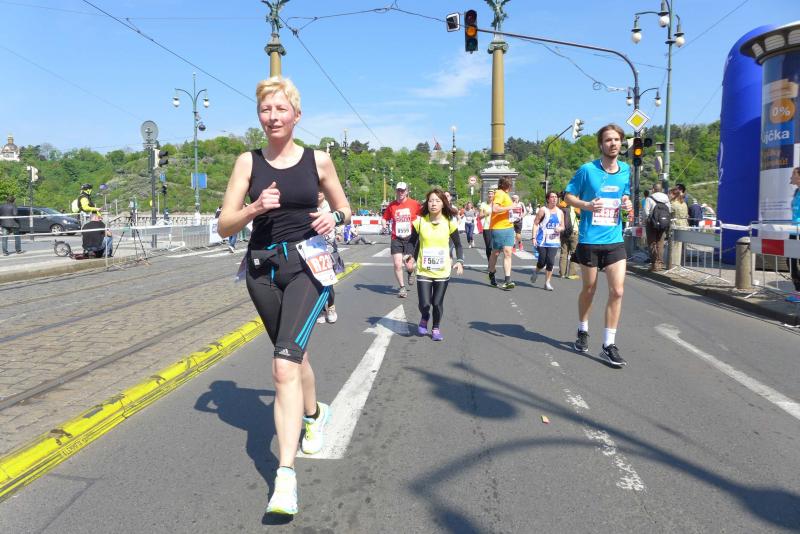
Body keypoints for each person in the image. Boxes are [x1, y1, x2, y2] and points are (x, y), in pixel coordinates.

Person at [217, 76, 350, 516]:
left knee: (282, 366)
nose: (272, 117)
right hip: (261, 271)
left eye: (280, 109)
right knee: (293, 356)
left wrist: (335, 217)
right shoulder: (248, 162)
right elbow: (225, 224)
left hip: (307, 266)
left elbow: (344, 208)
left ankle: (285, 477)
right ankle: (315, 415)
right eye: (265, 110)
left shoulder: (318, 160)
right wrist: (255, 208)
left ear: (296, 115)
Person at [565, 124, 633, 368]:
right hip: (589, 239)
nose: (613, 144)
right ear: (601, 145)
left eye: (616, 140)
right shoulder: (587, 170)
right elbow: (568, 196)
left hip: (614, 240)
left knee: (618, 291)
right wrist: (586, 205)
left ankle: (608, 344)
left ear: (621, 143)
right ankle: (582, 329)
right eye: (608, 140)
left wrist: (626, 203)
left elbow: (624, 195)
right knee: (589, 289)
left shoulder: (626, 170)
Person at [404, 188, 463, 341]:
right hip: (424, 270)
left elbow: (458, 245)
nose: (434, 204)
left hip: (442, 270)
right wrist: (409, 254)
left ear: (443, 204)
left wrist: (460, 261)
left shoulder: (449, 223)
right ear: (427, 203)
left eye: (437, 201)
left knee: (437, 303)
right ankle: (425, 316)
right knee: (424, 304)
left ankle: (436, 327)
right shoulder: (420, 221)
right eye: (431, 201)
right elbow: (411, 242)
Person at [381, 182, 421, 298]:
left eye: (403, 190)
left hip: (411, 238)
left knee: (409, 265)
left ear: (407, 191)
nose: (400, 192)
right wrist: (384, 225)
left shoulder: (414, 204)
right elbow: (384, 218)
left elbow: (422, 217)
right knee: (397, 264)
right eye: (398, 190)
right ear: (396, 191)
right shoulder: (392, 205)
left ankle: (411, 271)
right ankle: (402, 287)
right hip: (396, 238)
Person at [530, 191, 564, 290]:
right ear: (548, 199)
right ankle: (536, 271)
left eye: (556, 197)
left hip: (554, 241)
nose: (554, 199)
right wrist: (533, 237)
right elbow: (535, 223)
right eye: (552, 197)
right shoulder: (543, 210)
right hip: (542, 240)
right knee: (542, 261)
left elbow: (563, 226)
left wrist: (560, 228)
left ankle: (547, 282)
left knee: (550, 261)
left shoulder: (560, 212)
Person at [488, 177, 516, 290]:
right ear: (505, 185)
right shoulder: (499, 193)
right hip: (498, 227)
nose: (510, 186)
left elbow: (506, 210)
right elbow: (495, 208)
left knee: (508, 252)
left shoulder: (506, 194)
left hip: (509, 227)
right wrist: (511, 207)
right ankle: (491, 272)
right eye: (509, 184)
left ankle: (507, 280)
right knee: (495, 253)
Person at [644, 183, 671, 272]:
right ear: (661, 190)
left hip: (651, 224)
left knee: (652, 243)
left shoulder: (649, 198)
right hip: (663, 224)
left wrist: (647, 221)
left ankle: (654, 264)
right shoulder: (666, 199)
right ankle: (660, 263)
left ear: (653, 189)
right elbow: (669, 211)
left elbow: (646, 212)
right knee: (660, 243)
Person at [558, 192, 579, 279]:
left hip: (563, 232)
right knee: (574, 253)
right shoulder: (575, 207)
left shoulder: (560, 207)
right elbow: (580, 215)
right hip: (574, 232)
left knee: (563, 252)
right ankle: (572, 274)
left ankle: (562, 273)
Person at [789, 167, 800, 293]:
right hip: (792, 230)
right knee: (790, 260)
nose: (791, 176)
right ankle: (798, 291)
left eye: (793, 174)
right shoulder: (797, 191)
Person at [478, 190, 495, 262]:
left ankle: (493, 263)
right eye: (489, 194)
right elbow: (480, 216)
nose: (490, 195)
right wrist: (486, 214)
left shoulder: (496, 204)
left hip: (496, 227)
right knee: (489, 247)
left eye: (492, 194)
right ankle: (490, 263)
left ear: (494, 195)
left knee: (495, 247)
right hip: (487, 227)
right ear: (487, 195)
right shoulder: (483, 204)